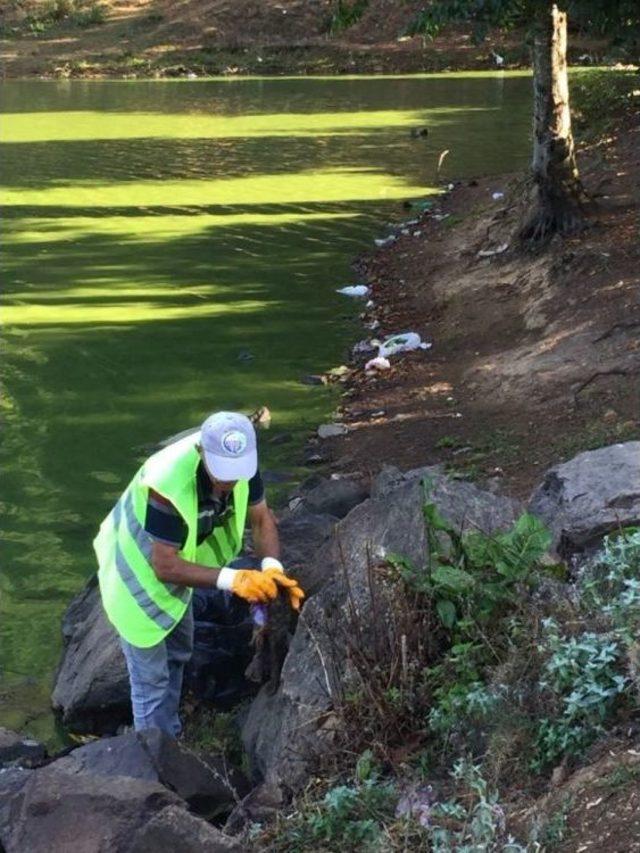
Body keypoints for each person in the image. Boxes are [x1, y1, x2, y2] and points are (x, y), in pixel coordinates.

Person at [94, 411, 304, 736]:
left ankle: (171, 734)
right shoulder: (168, 483)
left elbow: (262, 519)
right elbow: (163, 566)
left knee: (179, 653)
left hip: (181, 570)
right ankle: (151, 762)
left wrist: (272, 570)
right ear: (202, 453)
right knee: (151, 681)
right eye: (222, 474)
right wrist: (235, 580)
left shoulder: (242, 465)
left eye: (237, 473)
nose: (229, 483)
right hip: (137, 577)